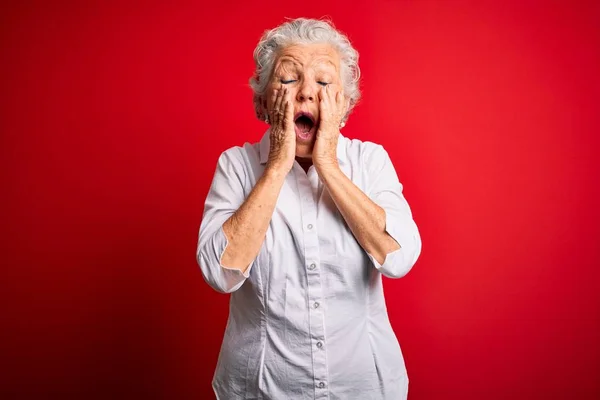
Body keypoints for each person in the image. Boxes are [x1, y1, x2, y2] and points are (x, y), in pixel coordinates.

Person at [196, 17, 422, 400]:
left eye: (323, 82)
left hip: (365, 387)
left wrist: (328, 165)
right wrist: (278, 165)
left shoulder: (370, 162)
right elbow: (219, 273)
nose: (305, 94)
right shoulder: (236, 166)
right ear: (263, 101)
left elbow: (399, 259)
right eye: (287, 80)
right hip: (259, 388)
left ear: (345, 105)